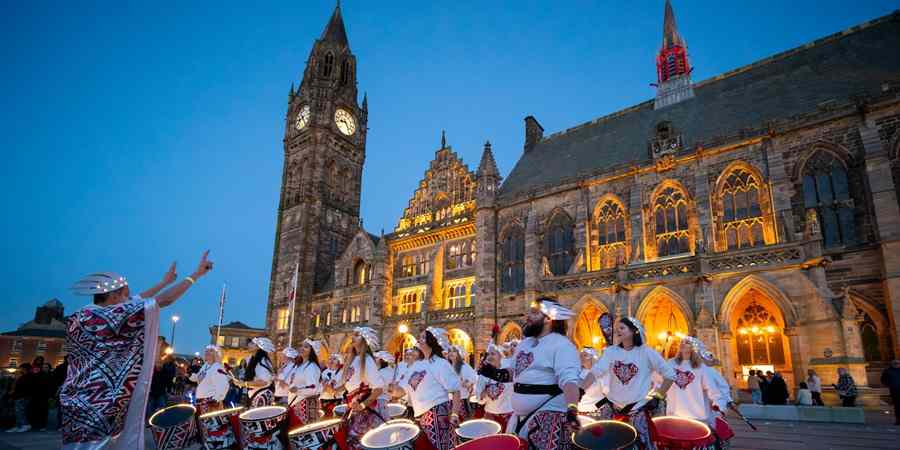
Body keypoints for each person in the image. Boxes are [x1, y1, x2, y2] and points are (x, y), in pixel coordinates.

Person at [61, 252, 213, 450]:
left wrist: (163, 282)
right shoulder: (110, 316)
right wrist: (195, 275)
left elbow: (136, 301)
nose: (129, 298)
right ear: (114, 296)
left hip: (75, 400)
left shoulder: (79, 317)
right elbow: (163, 301)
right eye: (125, 294)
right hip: (100, 404)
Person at [480, 298, 581, 450]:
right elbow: (514, 373)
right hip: (519, 416)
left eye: (534, 313)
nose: (528, 316)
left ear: (548, 318)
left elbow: (569, 381)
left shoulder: (562, 344)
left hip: (547, 416)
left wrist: (572, 409)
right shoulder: (525, 343)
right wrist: (494, 373)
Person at [584, 316, 675, 449]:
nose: (617, 331)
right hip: (612, 411)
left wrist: (658, 396)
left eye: (621, 328)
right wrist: (581, 388)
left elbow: (670, 375)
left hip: (637, 412)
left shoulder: (646, 352)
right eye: (616, 329)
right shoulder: (611, 352)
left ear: (634, 330)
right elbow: (596, 371)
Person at [393, 327, 462, 450]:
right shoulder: (415, 365)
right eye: (419, 337)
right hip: (420, 416)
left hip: (438, 414)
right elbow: (401, 391)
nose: (419, 339)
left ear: (432, 341)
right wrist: (389, 389)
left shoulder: (440, 363)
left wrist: (455, 413)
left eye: (424, 337)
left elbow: (455, 390)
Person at [338, 327, 387, 450]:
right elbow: (350, 384)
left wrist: (363, 405)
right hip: (352, 407)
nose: (352, 337)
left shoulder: (367, 360)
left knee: (361, 443)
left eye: (357, 335)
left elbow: (378, 388)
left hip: (365, 411)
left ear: (364, 340)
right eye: (353, 335)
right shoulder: (353, 360)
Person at [664, 337, 725, 428]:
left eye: (687, 343)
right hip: (674, 416)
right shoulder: (670, 364)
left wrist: (719, 406)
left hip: (698, 418)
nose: (683, 344)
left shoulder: (702, 368)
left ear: (694, 348)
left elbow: (713, 391)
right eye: (682, 342)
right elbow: (658, 384)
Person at [475, 341, 513, 431]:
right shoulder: (483, 375)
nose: (490, 356)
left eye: (493, 354)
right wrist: (483, 393)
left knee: (507, 441)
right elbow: (479, 400)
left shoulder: (508, 372)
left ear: (500, 356)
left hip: (508, 414)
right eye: (488, 354)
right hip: (490, 414)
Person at [288, 339, 324, 425]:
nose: (302, 348)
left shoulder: (311, 366)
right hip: (297, 402)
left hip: (305, 404)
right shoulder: (300, 366)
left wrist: (296, 390)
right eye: (301, 346)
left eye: (306, 347)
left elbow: (312, 388)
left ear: (312, 351)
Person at [234, 337, 276, 407]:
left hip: (261, 396)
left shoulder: (262, 361)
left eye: (252, 343)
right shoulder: (253, 360)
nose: (249, 344)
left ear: (258, 347)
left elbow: (263, 382)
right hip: (256, 395)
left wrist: (245, 383)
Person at [190, 345, 230, 414]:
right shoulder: (205, 366)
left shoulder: (217, 367)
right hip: (200, 401)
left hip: (211, 404)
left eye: (210, 351)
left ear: (215, 354)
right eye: (206, 351)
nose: (207, 352)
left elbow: (224, 386)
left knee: (209, 424)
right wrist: (189, 374)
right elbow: (198, 378)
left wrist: (215, 400)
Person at [576, 347, 609, 418]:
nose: (581, 357)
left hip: (595, 415)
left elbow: (609, 396)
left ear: (592, 358)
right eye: (580, 355)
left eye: (585, 355)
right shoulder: (578, 373)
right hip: (578, 414)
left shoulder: (602, 375)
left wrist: (596, 407)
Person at [448, 345, 477, 418]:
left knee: (461, 426)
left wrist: (466, 383)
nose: (451, 353)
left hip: (461, 401)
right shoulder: (448, 366)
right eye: (449, 351)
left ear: (459, 353)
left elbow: (473, 380)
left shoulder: (464, 366)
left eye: (454, 351)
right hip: (450, 400)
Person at [27, 356, 50, 431]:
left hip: (42, 394)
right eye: (38, 360)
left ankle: (42, 425)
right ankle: (35, 423)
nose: (39, 362)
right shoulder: (35, 371)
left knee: (42, 410)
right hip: (35, 393)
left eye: (40, 360)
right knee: (34, 409)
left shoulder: (44, 373)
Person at [7, 364, 32, 433]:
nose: (19, 370)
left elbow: (23, 387)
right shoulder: (22, 376)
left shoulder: (27, 377)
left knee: (20, 411)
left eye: (21, 368)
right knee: (18, 411)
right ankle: (18, 425)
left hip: (22, 397)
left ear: (24, 369)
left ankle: (25, 425)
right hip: (19, 396)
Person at [880, 359, 900, 425]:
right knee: (897, 405)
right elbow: (883, 379)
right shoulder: (887, 371)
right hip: (894, 390)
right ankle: (898, 420)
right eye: (895, 363)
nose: (897, 364)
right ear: (892, 364)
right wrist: (889, 385)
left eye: (898, 363)